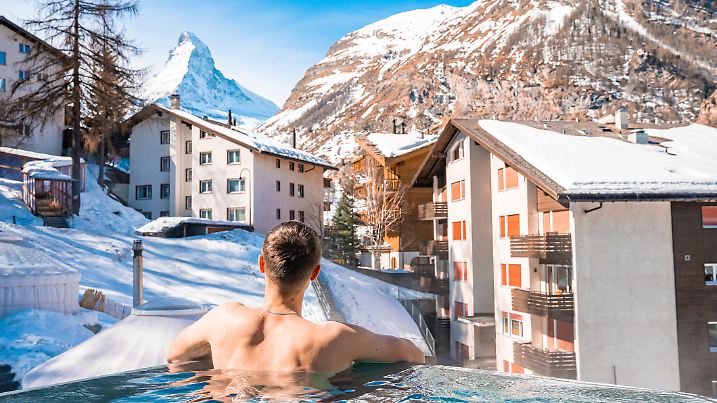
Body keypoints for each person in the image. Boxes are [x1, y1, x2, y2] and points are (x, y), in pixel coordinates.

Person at [167, 221, 425, 373]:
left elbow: (175, 356)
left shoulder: (223, 319)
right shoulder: (332, 339)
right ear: (315, 273)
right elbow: (414, 355)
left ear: (261, 264)